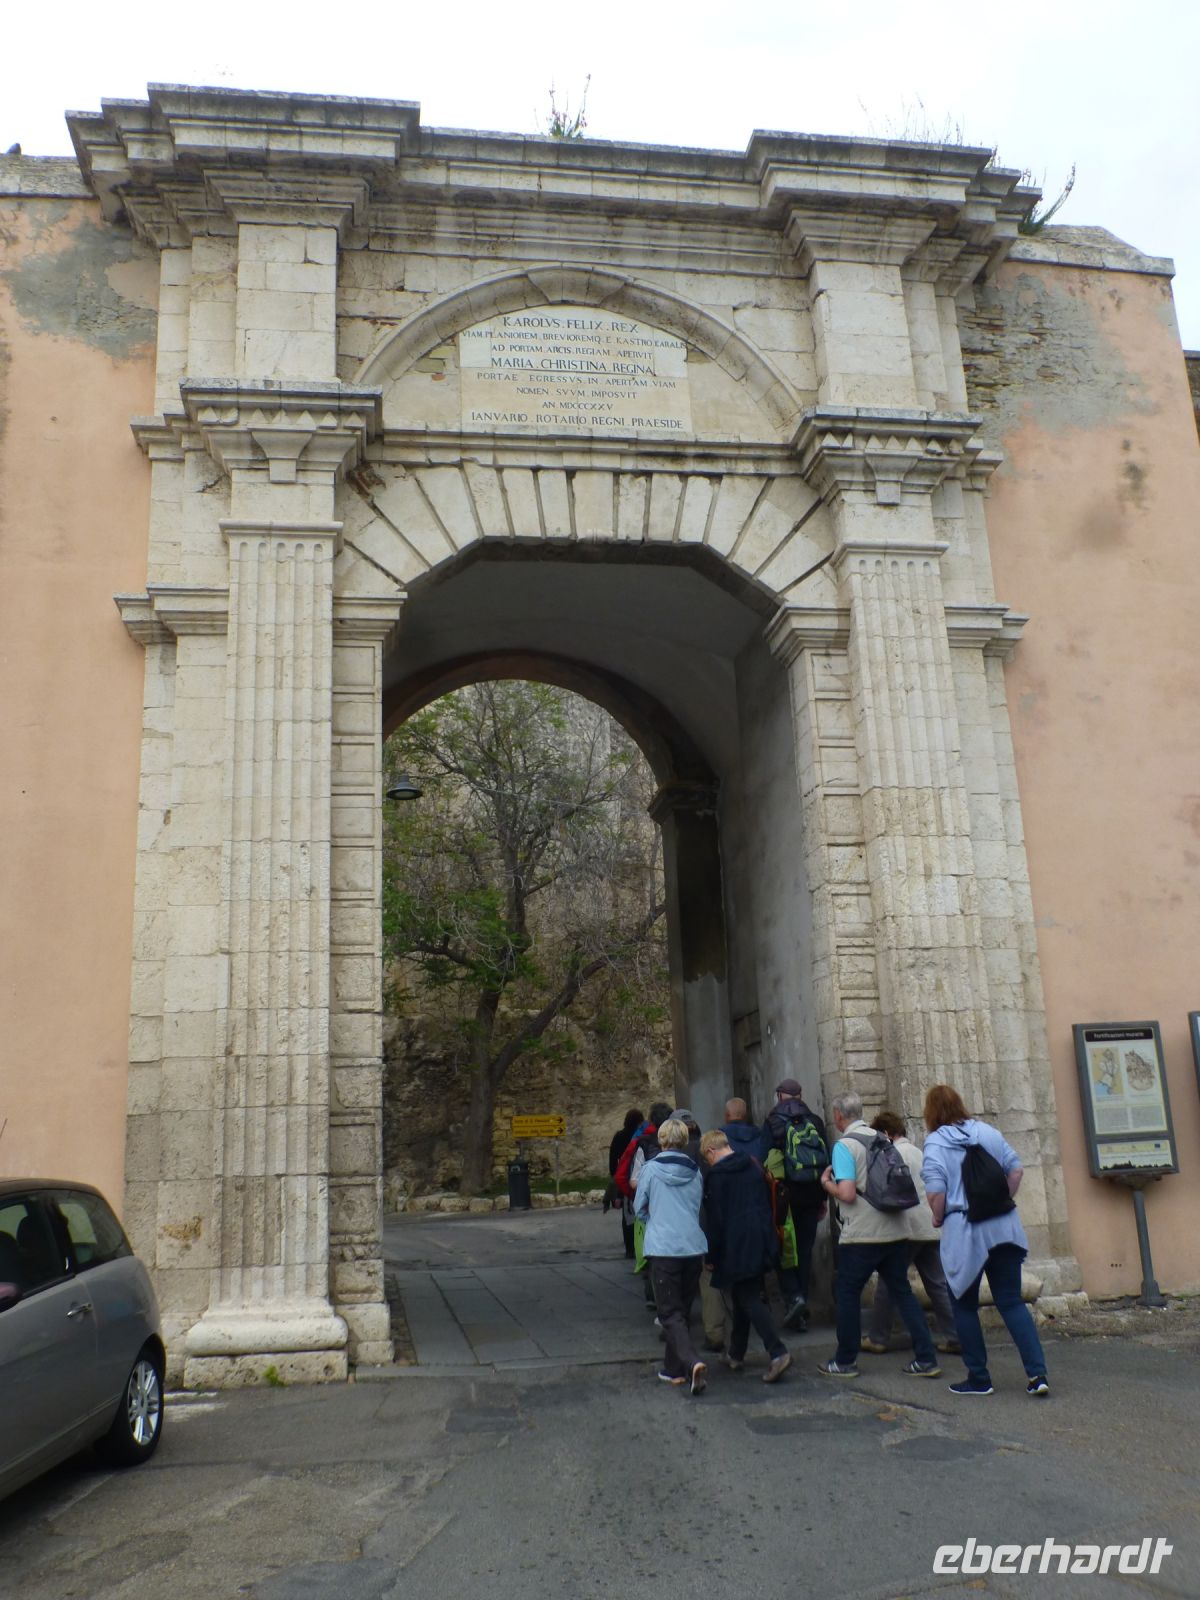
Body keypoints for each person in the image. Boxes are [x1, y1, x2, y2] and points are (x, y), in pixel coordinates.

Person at [920, 1084, 1050, 1398]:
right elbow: (1016, 1170)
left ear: (931, 1113)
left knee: (963, 1303)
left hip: (965, 1230)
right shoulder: (987, 1132)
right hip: (1004, 1227)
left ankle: (979, 1377)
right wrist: (1000, 1198)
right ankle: (1037, 1374)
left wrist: (938, 1216)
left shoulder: (936, 1143)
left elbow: (936, 1190)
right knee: (1010, 1300)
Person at [816, 1091, 941, 1380]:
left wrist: (826, 1184)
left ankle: (845, 1360)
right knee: (903, 1292)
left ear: (838, 1116)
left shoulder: (845, 1145)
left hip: (862, 1233)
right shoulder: (883, 1140)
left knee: (847, 1293)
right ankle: (926, 1357)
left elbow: (846, 1193)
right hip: (895, 1230)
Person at [860, 1111, 959, 1356]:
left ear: (885, 1133)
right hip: (930, 1227)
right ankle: (956, 1336)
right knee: (937, 1284)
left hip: (907, 1228)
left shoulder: (892, 1154)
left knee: (889, 1282)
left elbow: (888, 1191)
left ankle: (878, 1337)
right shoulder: (918, 1151)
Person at [700, 1130, 791, 1383]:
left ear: (710, 1152)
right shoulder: (752, 1165)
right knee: (743, 1295)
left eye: (706, 1159)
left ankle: (777, 1351)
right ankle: (735, 1353)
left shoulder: (717, 1177)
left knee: (749, 1298)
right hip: (760, 1238)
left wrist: (712, 1255)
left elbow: (716, 1222)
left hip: (735, 1245)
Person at [633, 1118, 709, 1394]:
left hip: (664, 1246)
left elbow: (639, 1205)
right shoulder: (696, 1171)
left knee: (668, 1312)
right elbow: (697, 1203)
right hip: (691, 1244)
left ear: (663, 1140)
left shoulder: (652, 1169)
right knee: (682, 1310)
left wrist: (653, 1216)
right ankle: (672, 1368)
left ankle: (691, 1362)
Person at [759, 1077, 828, 1330]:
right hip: (812, 1195)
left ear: (780, 1096)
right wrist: (823, 1198)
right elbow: (826, 1160)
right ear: (800, 1095)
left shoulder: (773, 1121)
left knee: (782, 1250)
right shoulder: (816, 1121)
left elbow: (762, 1158)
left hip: (783, 1198)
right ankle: (802, 1304)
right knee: (805, 1250)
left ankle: (793, 1298)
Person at [608, 1107, 644, 1259]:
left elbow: (612, 1159)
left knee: (627, 1214)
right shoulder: (641, 1137)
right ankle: (641, 1245)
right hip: (638, 1176)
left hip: (624, 1178)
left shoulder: (619, 1136)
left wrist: (615, 1175)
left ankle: (630, 1248)